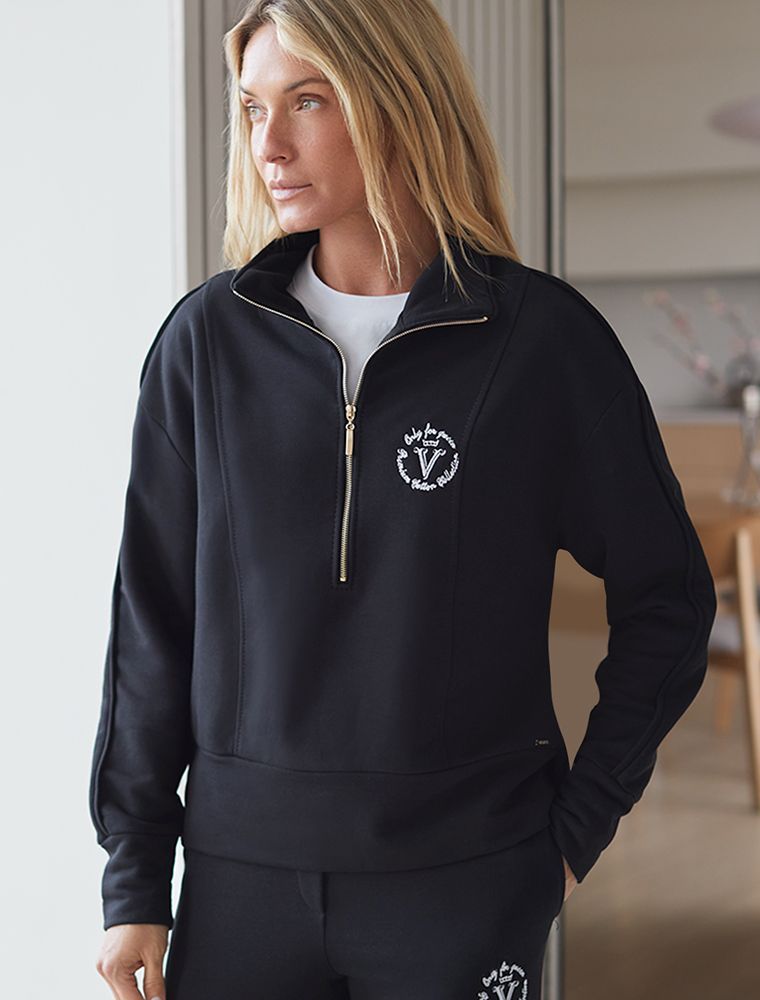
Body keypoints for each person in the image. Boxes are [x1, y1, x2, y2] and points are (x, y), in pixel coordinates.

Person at [89, 1, 718, 997]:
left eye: (308, 100)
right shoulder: (205, 345)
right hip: (239, 885)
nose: (268, 143)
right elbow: (150, 627)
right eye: (252, 108)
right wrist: (134, 878)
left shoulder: (541, 346)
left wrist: (574, 829)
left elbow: (670, 597)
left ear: (397, 98)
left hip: (465, 883)